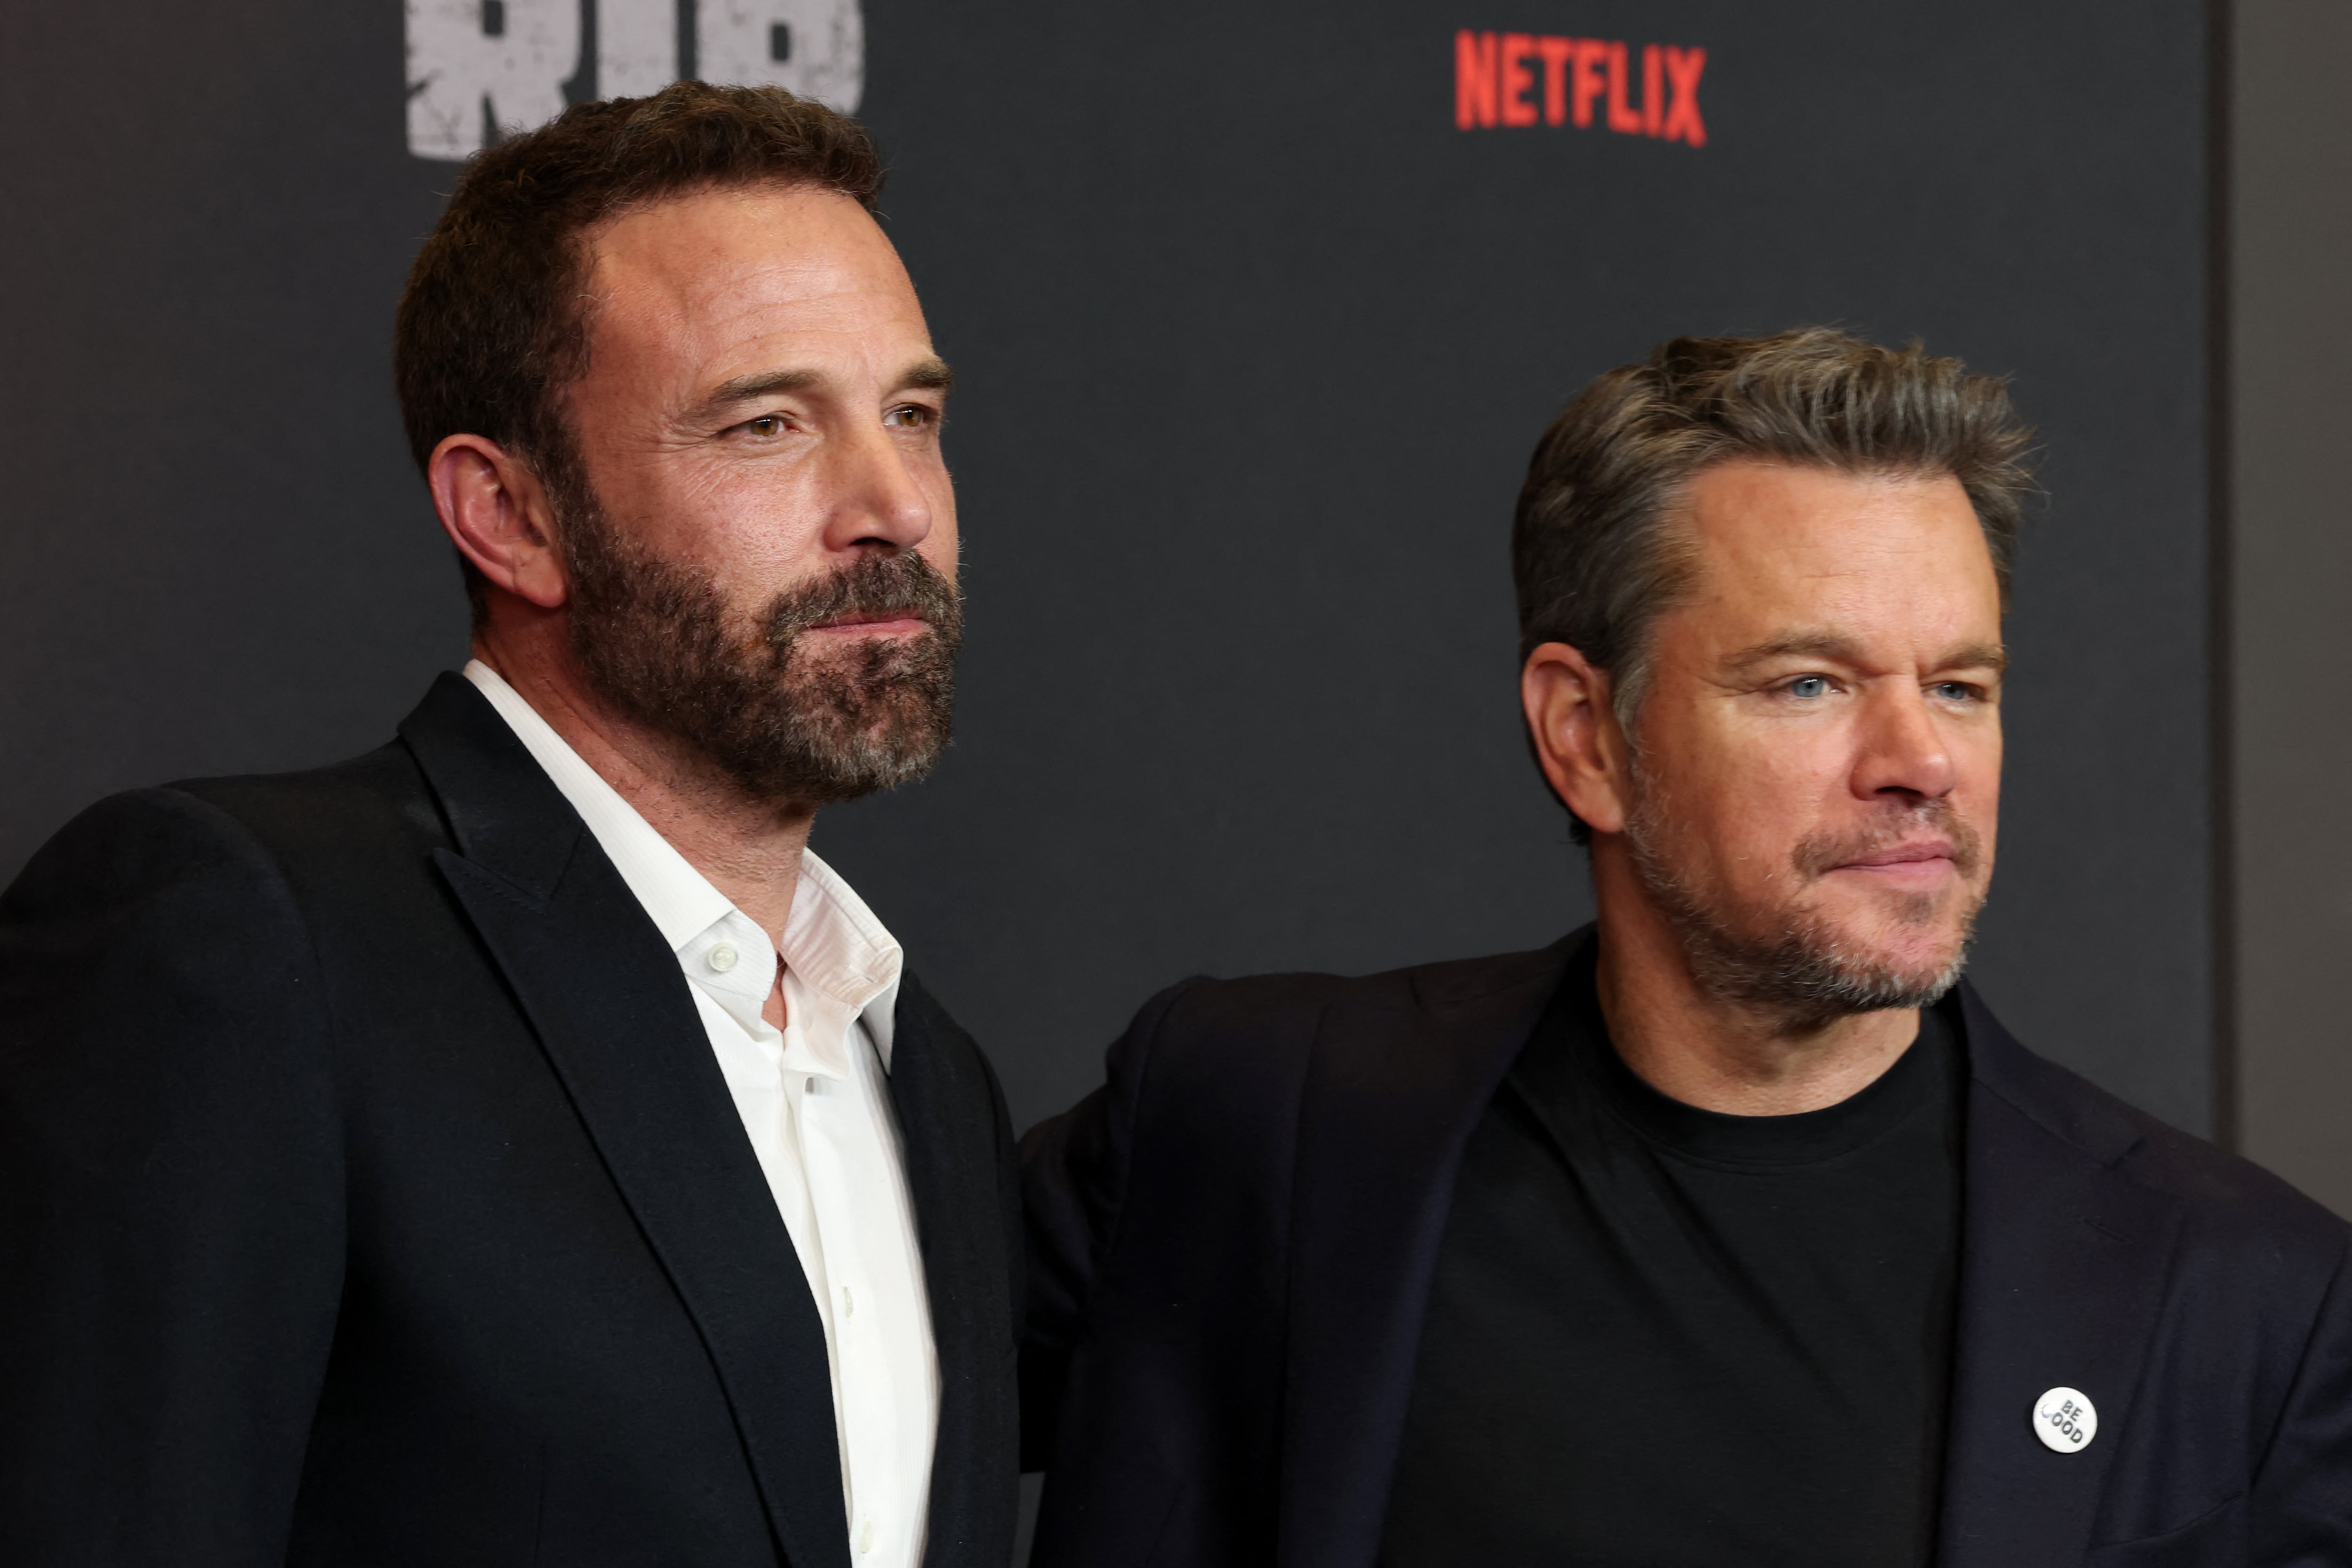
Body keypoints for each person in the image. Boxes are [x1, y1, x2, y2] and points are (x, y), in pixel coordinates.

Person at [1020, 329, 2352, 1568]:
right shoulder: (1255, 1121)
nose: (1921, 763)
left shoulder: (2245, 1304)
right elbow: (835, 1388)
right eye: (1809, 684)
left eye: (1960, 685)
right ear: (1588, 738)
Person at [0, 84, 1017, 1568]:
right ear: (510, 515)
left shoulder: (924, 1071)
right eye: (767, 422)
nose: (893, 507)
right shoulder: (243, 941)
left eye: (911, 415)